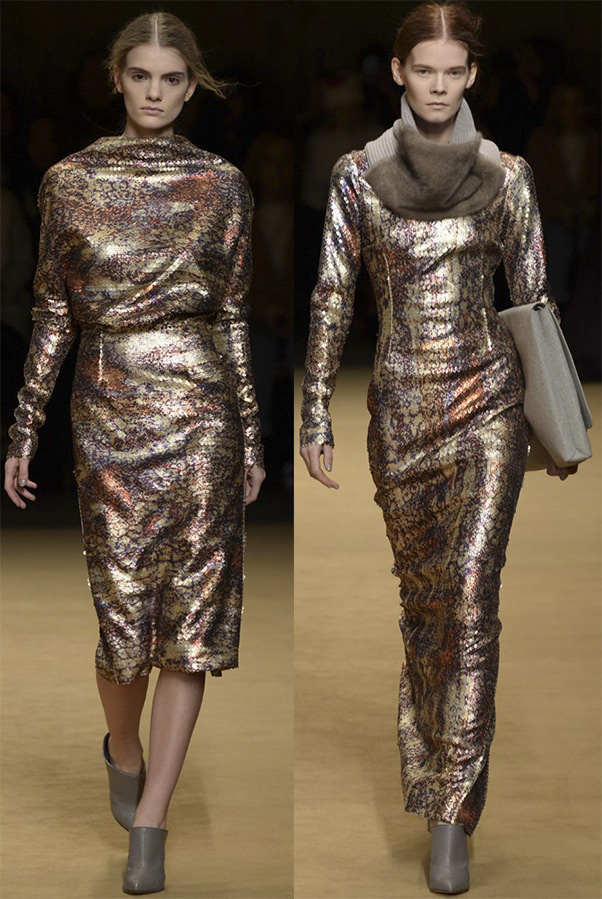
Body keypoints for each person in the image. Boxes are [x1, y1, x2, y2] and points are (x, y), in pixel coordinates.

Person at [299, 2, 578, 894]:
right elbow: (332, 296)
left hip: (487, 405)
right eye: (425, 70)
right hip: (401, 414)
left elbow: (533, 303)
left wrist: (554, 420)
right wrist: (314, 409)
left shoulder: (509, 177)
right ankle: (432, 780)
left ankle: (454, 811)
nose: (439, 86)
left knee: (470, 597)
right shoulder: (356, 177)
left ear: (472, 76)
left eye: (454, 72)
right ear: (398, 72)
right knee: (426, 612)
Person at [4, 10, 265, 895]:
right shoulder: (69, 182)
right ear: (117, 78)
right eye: (142, 76)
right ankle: (123, 743)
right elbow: (52, 310)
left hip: (202, 413)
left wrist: (251, 431)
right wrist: (24, 424)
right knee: (121, 628)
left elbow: (235, 314)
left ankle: (151, 818)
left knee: (190, 624)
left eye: (172, 78)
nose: (155, 92)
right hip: (107, 408)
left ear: (192, 87)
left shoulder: (222, 184)